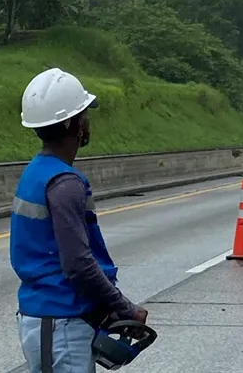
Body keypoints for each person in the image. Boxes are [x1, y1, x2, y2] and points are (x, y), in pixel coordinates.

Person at [10, 67, 146, 373]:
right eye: (84, 115)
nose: (87, 122)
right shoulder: (64, 183)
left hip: (53, 321)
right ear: (72, 123)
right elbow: (78, 264)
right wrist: (124, 307)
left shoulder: (37, 172)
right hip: (62, 326)